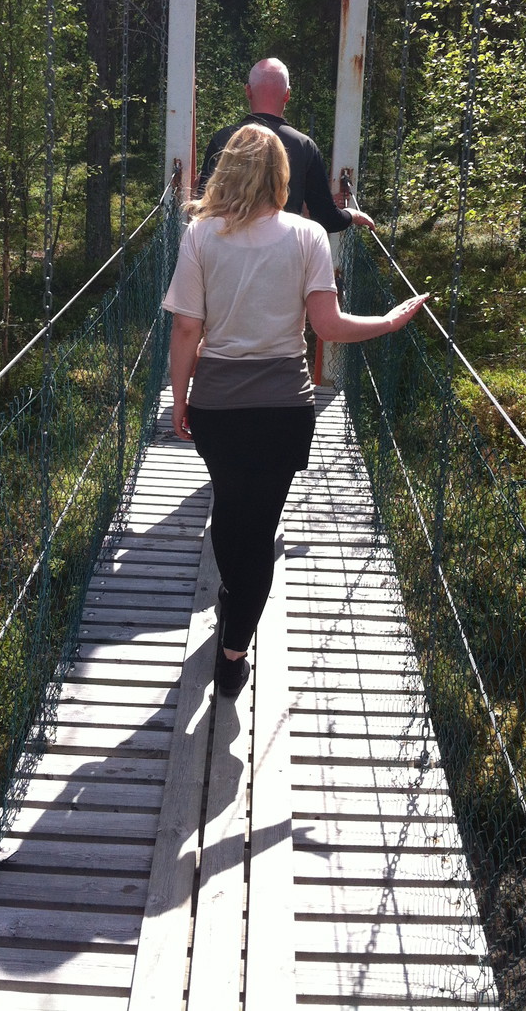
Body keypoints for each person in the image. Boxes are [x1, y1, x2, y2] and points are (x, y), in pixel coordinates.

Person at [163, 123, 428, 698]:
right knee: (260, 527)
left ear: (225, 170)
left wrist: (179, 400)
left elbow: (187, 329)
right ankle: (234, 651)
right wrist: (387, 322)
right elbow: (328, 327)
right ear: (284, 175)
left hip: (218, 405)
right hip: (285, 407)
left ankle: (234, 600)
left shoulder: (200, 235)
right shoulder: (309, 236)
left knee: (232, 512)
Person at [198, 58, 376, 234]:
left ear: (248, 91)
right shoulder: (305, 146)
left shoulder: (222, 139)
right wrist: (350, 215)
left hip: (226, 250)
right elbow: (325, 218)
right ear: (287, 94)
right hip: (283, 252)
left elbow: (202, 204)